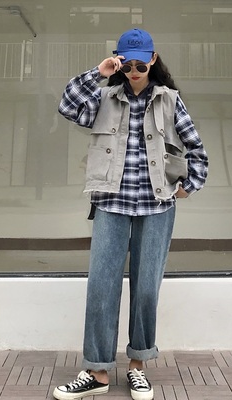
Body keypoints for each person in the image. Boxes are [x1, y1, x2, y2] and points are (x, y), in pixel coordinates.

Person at [53, 28, 208, 400]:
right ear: (119, 61)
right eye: (128, 65)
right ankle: (98, 371)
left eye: (141, 64)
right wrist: (99, 72)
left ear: (153, 59)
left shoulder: (169, 100)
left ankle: (137, 366)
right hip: (112, 204)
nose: (135, 71)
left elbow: (196, 148)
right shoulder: (104, 97)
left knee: (146, 290)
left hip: (157, 206)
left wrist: (189, 184)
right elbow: (68, 105)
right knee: (101, 289)